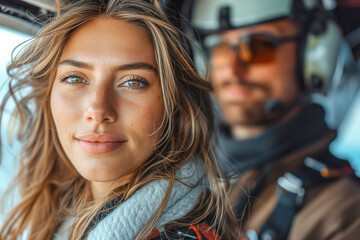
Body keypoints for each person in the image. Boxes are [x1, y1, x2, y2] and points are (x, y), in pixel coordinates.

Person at [0, 0, 239, 239]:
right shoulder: (54, 215)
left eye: (133, 82)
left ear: (174, 104)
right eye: (74, 78)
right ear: (49, 93)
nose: (98, 109)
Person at [179, 0, 360, 239]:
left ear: (314, 54)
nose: (233, 68)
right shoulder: (177, 185)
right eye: (219, 45)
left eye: (260, 45)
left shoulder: (344, 213)